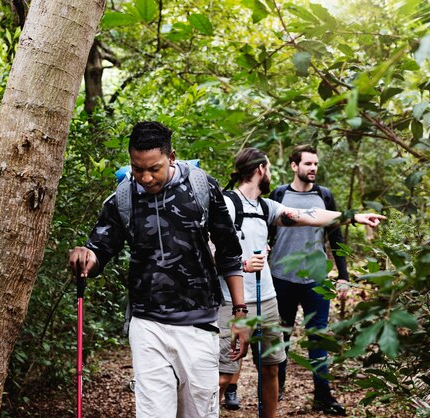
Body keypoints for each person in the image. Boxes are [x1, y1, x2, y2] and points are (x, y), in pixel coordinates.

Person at [68, 121, 249, 418]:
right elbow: (100, 248)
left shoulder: (202, 188)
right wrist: (86, 256)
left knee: (200, 413)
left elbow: (229, 254)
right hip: (147, 323)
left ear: (172, 156)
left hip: (199, 321)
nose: (146, 177)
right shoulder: (124, 197)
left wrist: (240, 314)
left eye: (154, 168)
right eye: (138, 169)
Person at [217, 148, 385, 418]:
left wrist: (353, 217)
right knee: (223, 375)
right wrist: (242, 265)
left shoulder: (266, 206)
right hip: (230, 300)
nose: (270, 173)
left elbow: (310, 215)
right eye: (269, 168)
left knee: (271, 367)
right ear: (261, 169)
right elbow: (207, 249)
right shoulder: (225, 204)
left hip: (267, 298)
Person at [268, 144, 353, 416]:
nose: (313, 168)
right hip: (281, 278)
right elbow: (267, 231)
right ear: (294, 166)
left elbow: (336, 238)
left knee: (318, 339)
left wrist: (344, 275)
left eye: (315, 164)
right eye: (307, 164)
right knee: (281, 337)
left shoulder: (324, 196)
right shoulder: (279, 194)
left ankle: (323, 397)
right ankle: (276, 389)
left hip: (316, 280)